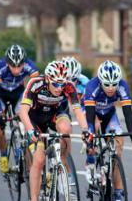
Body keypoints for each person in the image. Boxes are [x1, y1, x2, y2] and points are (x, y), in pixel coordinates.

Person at [19, 60, 88, 201]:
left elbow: (77, 110)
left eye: (62, 84)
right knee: (38, 159)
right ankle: (34, 198)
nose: (59, 88)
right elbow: (23, 112)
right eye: (56, 84)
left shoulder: (68, 86)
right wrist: (31, 130)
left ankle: (61, 161)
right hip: (35, 119)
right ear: (48, 78)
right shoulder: (36, 83)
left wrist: (86, 130)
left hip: (55, 114)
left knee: (66, 128)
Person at [83, 60, 132, 200]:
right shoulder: (92, 86)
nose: (111, 88)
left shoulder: (123, 86)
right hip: (92, 113)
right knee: (93, 131)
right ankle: (91, 159)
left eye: (114, 84)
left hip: (109, 114)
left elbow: (128, 114)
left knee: (118, 145)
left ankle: (118, 191)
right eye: (107, 84)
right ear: (100, 81)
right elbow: (90, 117)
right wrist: (90, 135)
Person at [0, 44, 39, 174]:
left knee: (25, 121)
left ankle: (25, 154)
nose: (17, 70)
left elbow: (37, 86)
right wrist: (0, 114)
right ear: (7, 63)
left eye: (20, 66)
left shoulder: (30, 65)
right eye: (13, 66)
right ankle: (3, 156)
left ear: (24, 62)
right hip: (1, 95)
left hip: (18, 94)